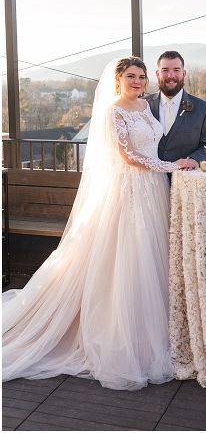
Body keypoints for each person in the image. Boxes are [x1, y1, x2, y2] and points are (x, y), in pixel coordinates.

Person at [3, 57, 181, 390]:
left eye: (142, 76)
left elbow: (150, 146)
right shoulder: (113, 112)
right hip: (128, 191)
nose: (138, 81)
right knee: (129, 257)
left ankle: (152, 329)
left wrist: (163, 167)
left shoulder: (145, 105)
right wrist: (171, 166)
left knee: (152, 258)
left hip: (152, 190)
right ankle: (123, 334)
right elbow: (128, 157)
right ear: (118, 79)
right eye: (131, 76)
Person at [144, 50, 206, 170]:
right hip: (150, 181)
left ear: (184, 73)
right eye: (165, 70)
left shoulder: (204, 109)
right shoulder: (143, 106)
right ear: (157, 74)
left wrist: (193, 160)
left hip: (186, 181)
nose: (171, 75)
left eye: (176, 70)